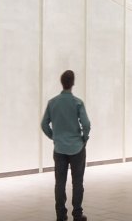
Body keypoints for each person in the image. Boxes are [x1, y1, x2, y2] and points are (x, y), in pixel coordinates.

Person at [42, 69, 91, 221]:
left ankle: (61, 215)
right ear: (73, 83)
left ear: (61, 82)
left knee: (60, 183)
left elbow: (44, 124)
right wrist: (84, 138)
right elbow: (86, 124)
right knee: (77, 182)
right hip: (77, 148)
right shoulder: (77, 103)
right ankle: (77, 214)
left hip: (59, 149)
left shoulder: (52, 103)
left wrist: (54, 137)